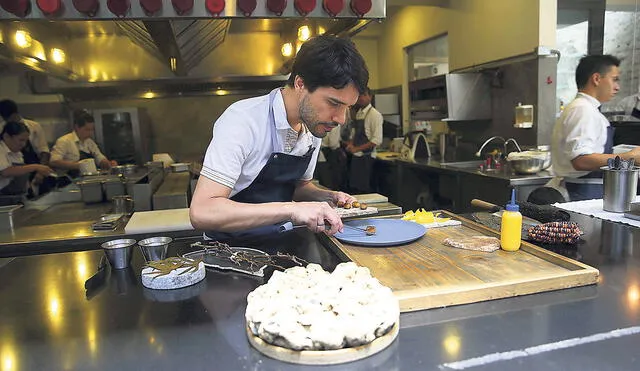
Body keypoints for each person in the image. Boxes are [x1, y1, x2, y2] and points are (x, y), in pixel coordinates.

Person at [189, 35, 369, 238]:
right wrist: (292, 210)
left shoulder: (312, 126)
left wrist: (327, 197)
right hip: (228, 248)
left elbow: (298, 188)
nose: (341, 119)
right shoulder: (243, 120)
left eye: (348, 107)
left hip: (280, 240)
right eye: (334, 103)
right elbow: (202, 211)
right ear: (301, 84)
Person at [551, 54, 640, 201]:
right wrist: (627, 158)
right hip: (581, 193)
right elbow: (580, 160)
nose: (617, 87)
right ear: (597, 79)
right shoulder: (582, 110)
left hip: (588, 190)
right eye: (614, 79)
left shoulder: (585, 109)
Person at [50, 109, 117, 177]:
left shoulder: (90, 142)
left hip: (88, 180)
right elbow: (54, 162)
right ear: (77, 127)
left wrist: (108, 163)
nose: (90, 133)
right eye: (87, 130)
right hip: (68, 182)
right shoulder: (64, 141)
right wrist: (79, 165)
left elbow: (99, 157)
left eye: (92, 130)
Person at [344, 87, 383, 193]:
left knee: (366, 190)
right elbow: (355, 133)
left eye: (364, 95)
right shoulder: (359, 113)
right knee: (355, 190)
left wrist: (357, 149)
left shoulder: (375, 115)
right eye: (359, 96)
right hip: (356, 158)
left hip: (367, 158)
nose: (361, 98)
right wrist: (351, 144)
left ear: (370, 97)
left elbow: (376, 140)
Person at [0, 121, 54, 196]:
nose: (23, 144)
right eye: (21, 140)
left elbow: (21, 174)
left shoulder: (17, 153)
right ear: (6, 136)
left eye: (26, 141)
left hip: (17, 196)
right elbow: (5, 171)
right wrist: (36, 167)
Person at [0, 99, 50, 165]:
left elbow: (43, 150)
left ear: (16, 113)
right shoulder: (1, 128)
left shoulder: (34, 126)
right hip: (10, 164)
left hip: (34, 163)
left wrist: (41, 168)